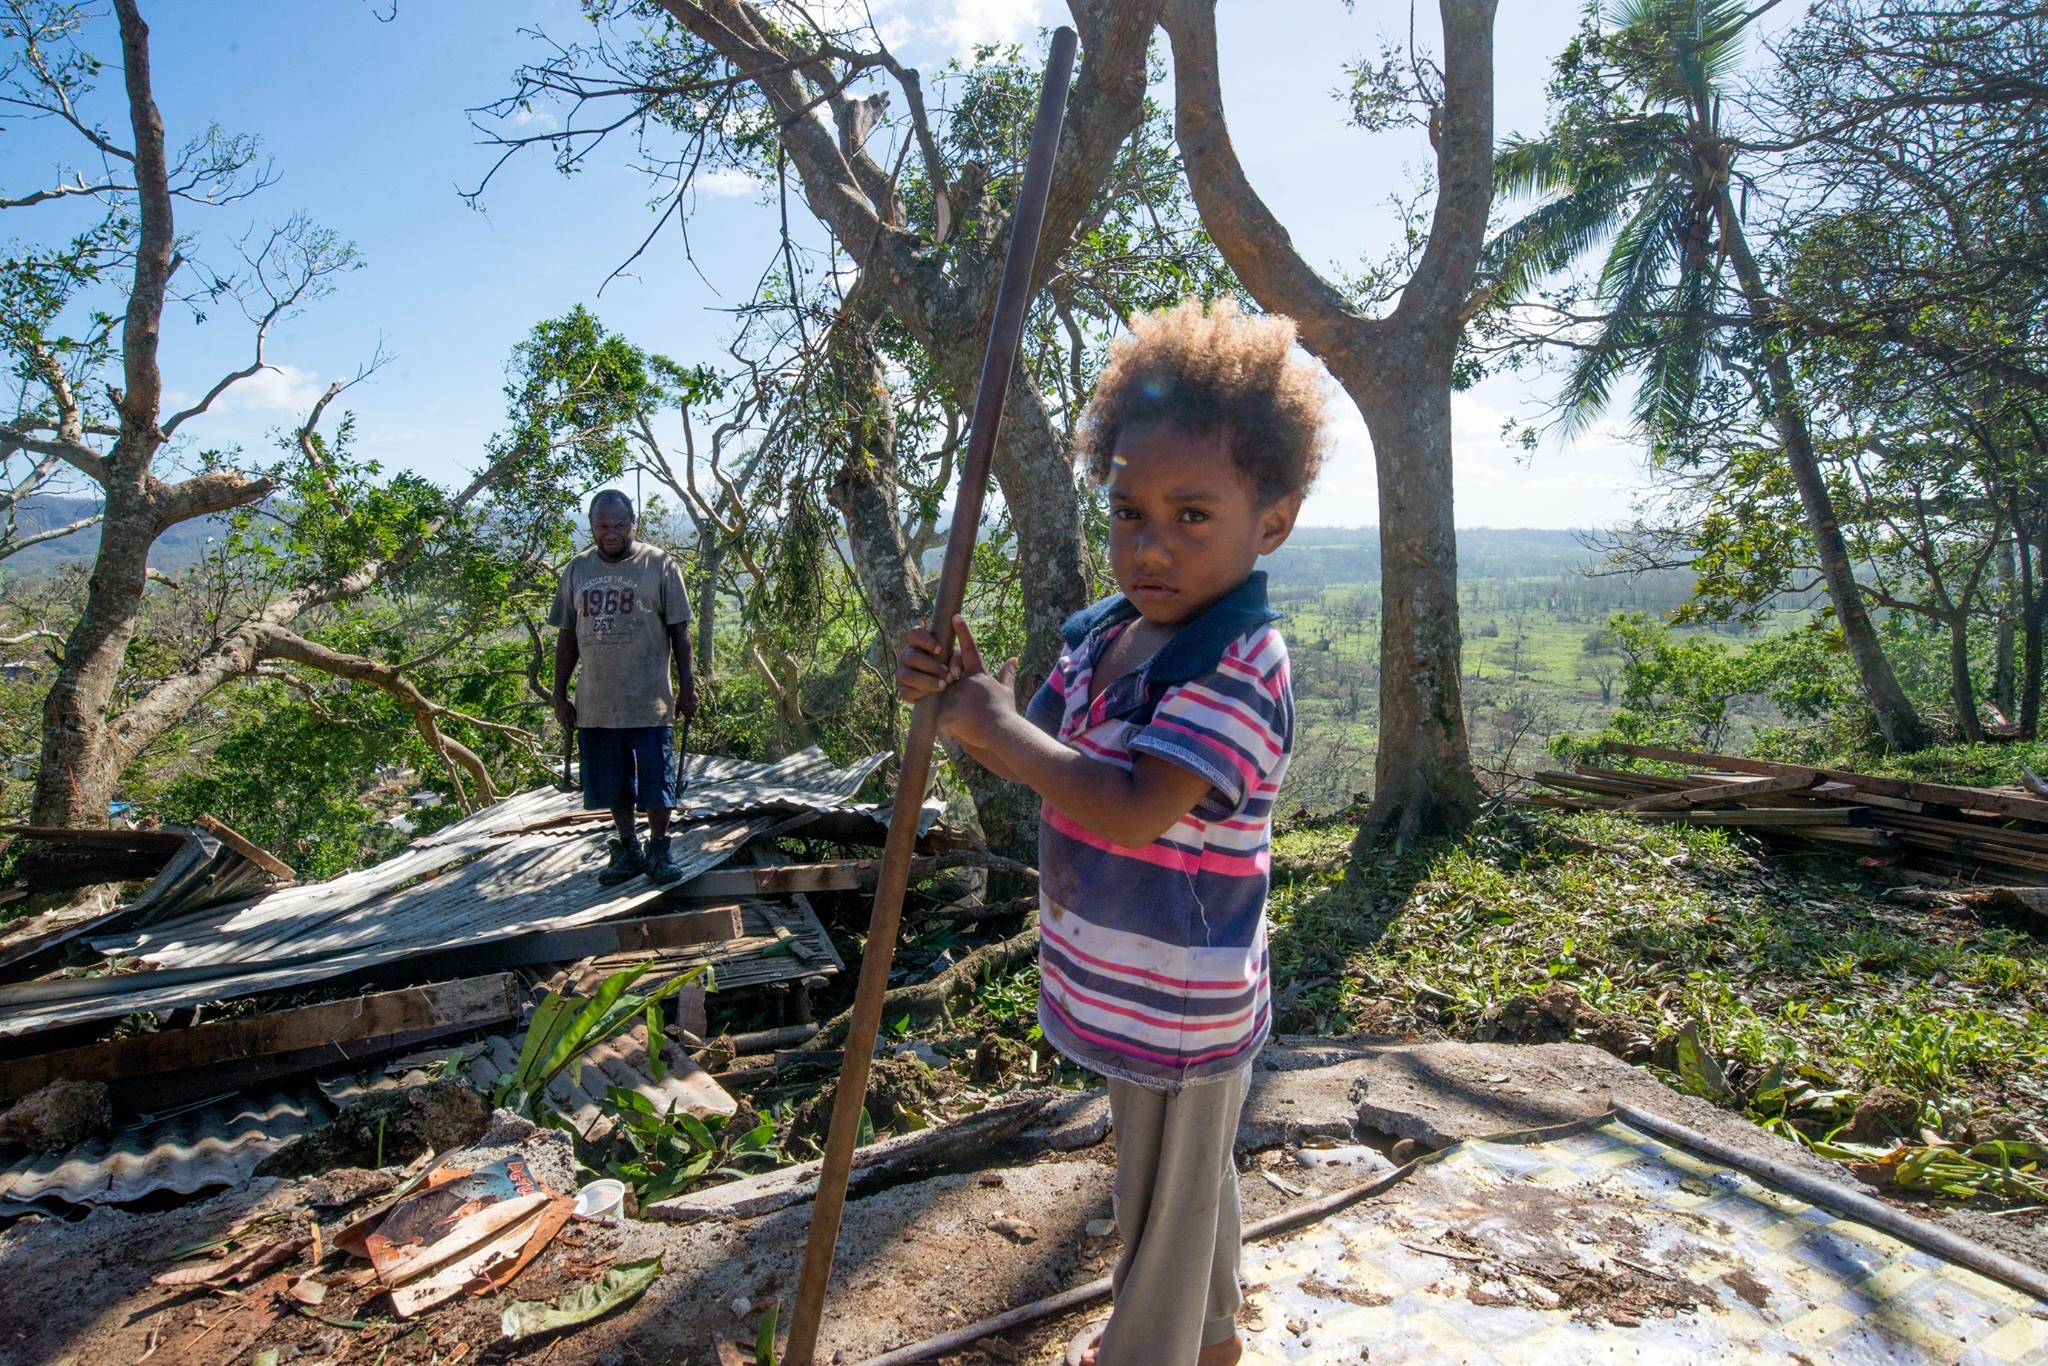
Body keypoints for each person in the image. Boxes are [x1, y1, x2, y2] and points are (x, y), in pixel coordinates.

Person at [898, 298, 1326, 1366]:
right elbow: (1060, 751)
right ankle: (1212, 1333)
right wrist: (970, 696)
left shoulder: (1238, 661)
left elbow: (1130, 804)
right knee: (1188, 1172)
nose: (1151, 544)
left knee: (1161, 1191)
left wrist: (996, 738)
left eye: (1193, 516)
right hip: (1128, 970)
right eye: (1128, 511)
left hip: (1182, 987)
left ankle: (1151, 1350)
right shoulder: (1114, 633)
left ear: (1268, 521)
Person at [551, 490, 699, 886]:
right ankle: (628, 848)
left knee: (657, 783)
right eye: (603, 526)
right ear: (592, 526)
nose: (611, 533)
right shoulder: (577, 570)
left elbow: (680, 633)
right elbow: (567, 636)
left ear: (633, 522)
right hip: (597, 703)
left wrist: (688, 687)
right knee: (613, 784)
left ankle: (659, 850)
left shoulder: (659, 565)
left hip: (649, 701)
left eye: (619, 525)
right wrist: (558, 692)